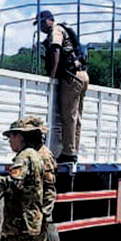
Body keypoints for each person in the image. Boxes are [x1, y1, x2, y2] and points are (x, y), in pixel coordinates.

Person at [36, 10, 89, 164]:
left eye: (40, 23)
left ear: (48, 21)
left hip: (71, 77)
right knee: (76, 117)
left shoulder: (56, 31)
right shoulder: (64, 29)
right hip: (81, 75)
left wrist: (52, 74)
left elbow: (55, 49)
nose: (40, 28)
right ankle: (73, 150)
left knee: (68, 116)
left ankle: (69, 153)